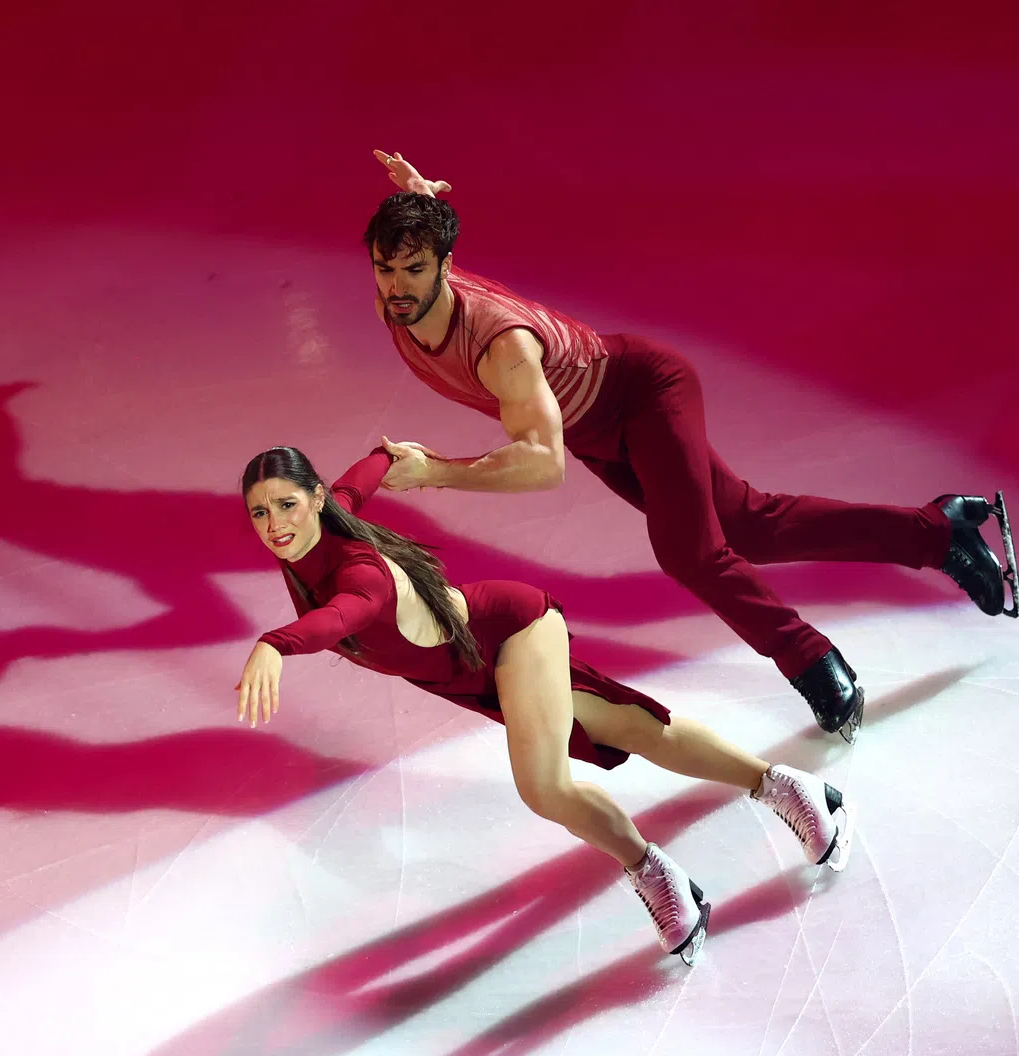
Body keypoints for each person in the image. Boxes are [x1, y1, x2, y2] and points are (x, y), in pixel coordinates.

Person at [361, 149, 1017, 743]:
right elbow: (428, 258)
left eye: (414, 269)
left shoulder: (503, 346)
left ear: (445, 267)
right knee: (751, 526)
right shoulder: (409, 307)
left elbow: (542, 462)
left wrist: (433, 473)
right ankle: (939, 532)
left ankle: (812, 661)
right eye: (386, 269)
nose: (397, 288)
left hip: (643, 392)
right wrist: (425, 203)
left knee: (690, 552)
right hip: (602, 434)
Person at [235, 444, 856, 965]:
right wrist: (389, 456)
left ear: (314, 498)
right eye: (259, 512)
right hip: (475, 673)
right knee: (641, 731)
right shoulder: (324, 526)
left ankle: (656, 874)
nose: (274, 524)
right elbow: (357, 484)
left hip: (511, 632)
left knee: (543, 786)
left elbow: (341, 618)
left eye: (287, 504)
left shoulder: (356, 575)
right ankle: (790, 789)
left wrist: (275, 644)